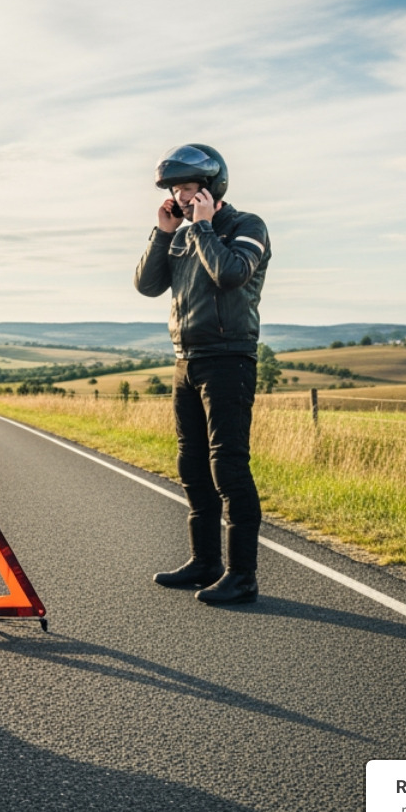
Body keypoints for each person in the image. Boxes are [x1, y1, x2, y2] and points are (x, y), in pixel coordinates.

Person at [133, 144, 271, 605]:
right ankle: (205, 563)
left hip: (229, 359)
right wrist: (162, 232)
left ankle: (242, 576)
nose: (181, 196)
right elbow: (148, 286)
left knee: (228, 467)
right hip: (185, 360)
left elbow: (230, 274)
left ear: (212, 189)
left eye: (189, 188)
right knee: (191, 467)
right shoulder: (181, 233)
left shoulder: (245, 227)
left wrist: (205, 228)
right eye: (176, 190)